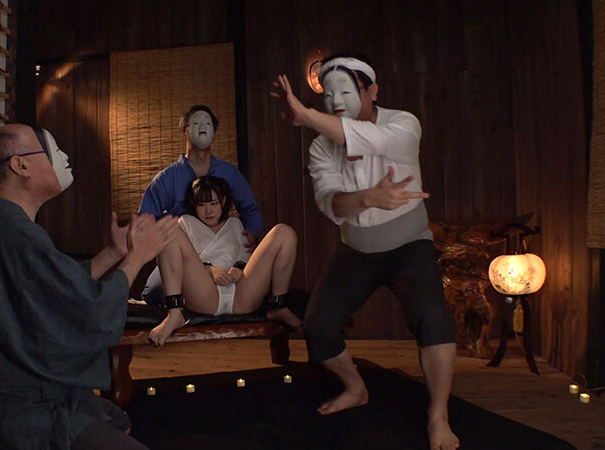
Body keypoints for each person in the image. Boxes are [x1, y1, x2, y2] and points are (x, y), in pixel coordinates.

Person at [271, 54, 460, 450]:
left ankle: (438, 415)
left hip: (410, 245)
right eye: (329, 95)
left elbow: (370, 139)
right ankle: (356, 388)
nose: (336, 101)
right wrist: (368, 198)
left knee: (433, 318)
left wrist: (305, 115)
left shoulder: (403, 124)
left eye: (347, 90)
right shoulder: (321, 148)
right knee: (318, 326)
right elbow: (330, 203)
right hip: (356, 249)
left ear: (373, 90)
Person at [0, 123, 179, 449]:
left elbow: (59, 286)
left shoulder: (5, 225)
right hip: (32, 409)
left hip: (30, 392)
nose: (64, 157)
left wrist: (114, 253)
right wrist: (137, 258)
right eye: (51, 150)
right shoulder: (14, 235)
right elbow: (87, 309)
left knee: (117, 419)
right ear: (20, 166)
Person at [148, 176, 303, 346]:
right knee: (168, 230)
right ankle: (174, 314)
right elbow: (180, 262)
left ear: (223, 201)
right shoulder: (187, 222)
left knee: (284, 232)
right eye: (202, 205)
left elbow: (246, 259)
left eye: (213, 203)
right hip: (205, 295)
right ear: (193, 204)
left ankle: (278, 306)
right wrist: (209, 270)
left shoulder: (235, 224)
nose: (208, 211)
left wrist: (239, 270)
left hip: (241, 296)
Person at [138, 105, 264, 305]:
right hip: (183, 252)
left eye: (207, 124)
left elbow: (250, 209)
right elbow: (145, 218)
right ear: (184, 131)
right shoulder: (167, 178)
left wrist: (252, 232)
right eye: (196, 123)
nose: (202, 128)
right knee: (154, 293)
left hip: (223, 248)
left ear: (214, 132)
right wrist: (163, 243)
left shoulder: (229, 173)